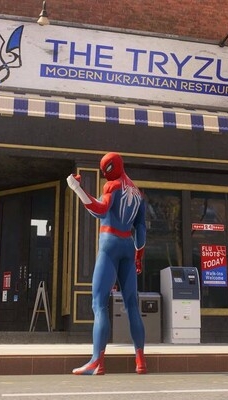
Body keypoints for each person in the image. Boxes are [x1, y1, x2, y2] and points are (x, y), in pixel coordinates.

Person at [67, 152, 147, 375]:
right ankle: (140, 361)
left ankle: (97, 361)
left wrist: (78, 189)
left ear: (112, 167)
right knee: (132, 305)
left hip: (110, 243)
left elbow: (100, 210)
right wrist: (138, 255)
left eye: (105, 169)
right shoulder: (138, 194)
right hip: (128, 246)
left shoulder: (112, 186)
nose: (104, 173)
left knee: (99, 303)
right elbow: (141, 228)